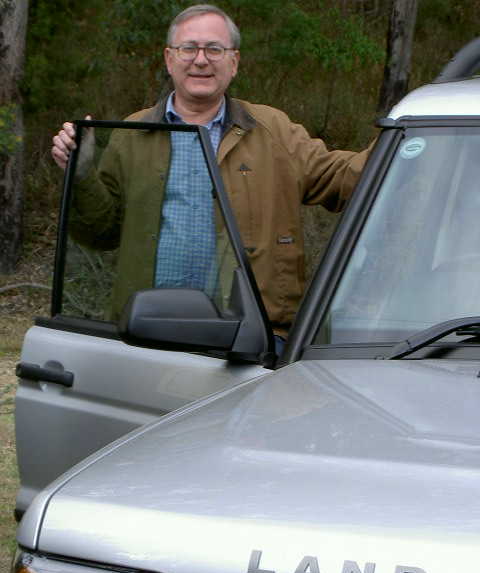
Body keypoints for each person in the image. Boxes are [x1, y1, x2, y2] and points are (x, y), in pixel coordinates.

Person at [51, 3, 370, 336]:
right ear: (168, 59)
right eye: (188, 48)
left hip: (247, 339)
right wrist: (82, 173)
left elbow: (342, 177)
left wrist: (409, 139)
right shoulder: (134, 132)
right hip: (147, 334)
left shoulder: (273, 129)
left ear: (234, 62)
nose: (200, 60)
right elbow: (100, 232)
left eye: (214, 49)